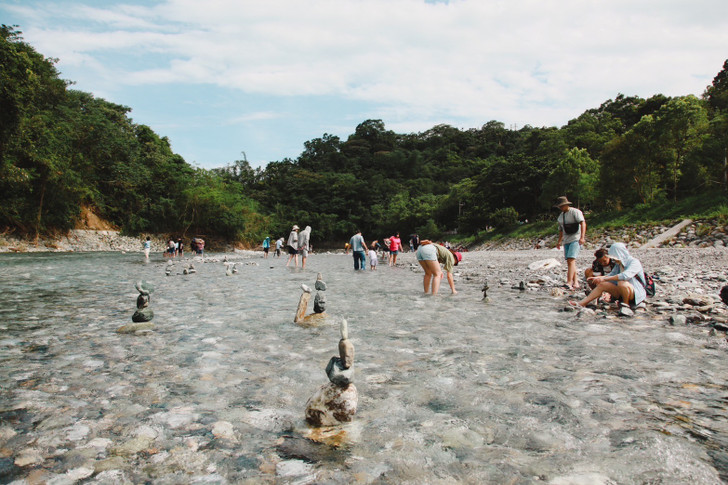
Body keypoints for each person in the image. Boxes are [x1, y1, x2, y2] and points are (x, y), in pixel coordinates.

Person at [571, 243, 646, 310]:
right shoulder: (618, 264)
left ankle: (625, 305)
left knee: (622, 282)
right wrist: (599, 278)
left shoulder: (634, 262)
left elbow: (625, 276)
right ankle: (582, 303)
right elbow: (611, 275)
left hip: (635, 293)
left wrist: (605, 278)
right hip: (622, 291)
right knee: (602, 284)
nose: (613, 259)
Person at [554, 196, 586, 290]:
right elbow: (561, 230)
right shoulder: (561, 217)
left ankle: (569, 282)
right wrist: (559, 241)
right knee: (570, 262)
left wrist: (582, 237)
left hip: (575, 238)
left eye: (562, 206)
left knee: (571, 260)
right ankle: (575, 282)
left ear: (566, 205)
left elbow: (583, 223)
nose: (561, 208)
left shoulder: (575, 212)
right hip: (566, 240)